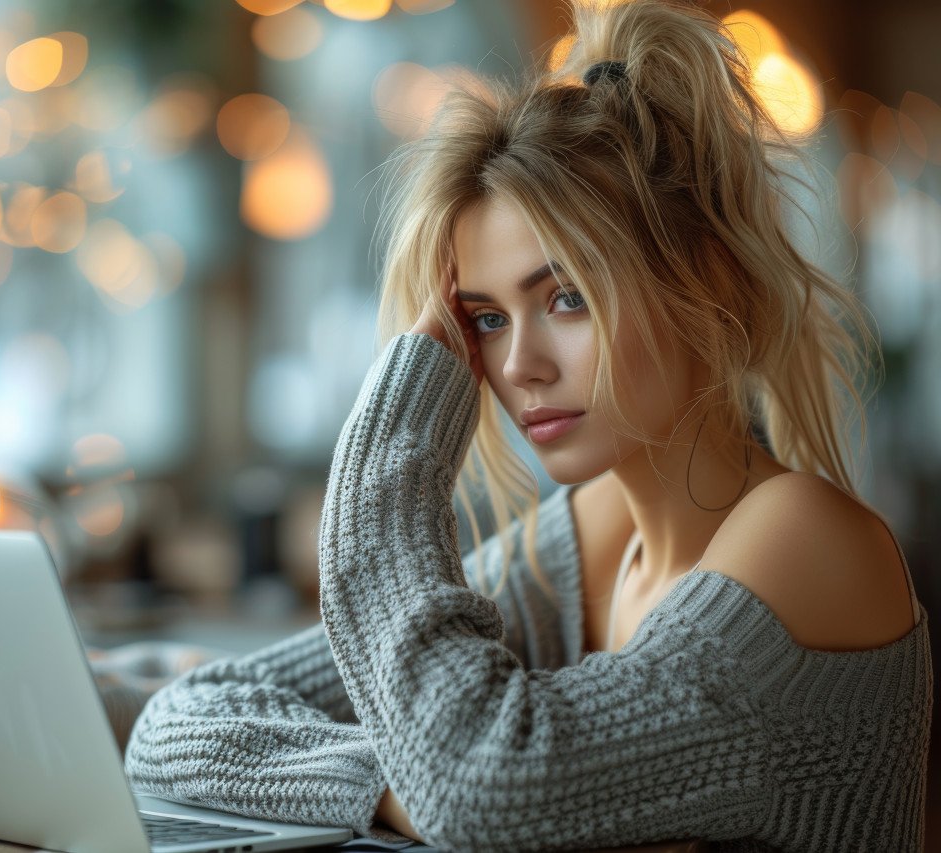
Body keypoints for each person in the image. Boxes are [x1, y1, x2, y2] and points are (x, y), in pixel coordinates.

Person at [123, 0, 933, 849]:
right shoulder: (591, 539)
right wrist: (407, 782)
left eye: (567, 298)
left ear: (711, 284)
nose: (517, 368)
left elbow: (481, 782)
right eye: (485, 319)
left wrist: (386, 466)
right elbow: (178, 725)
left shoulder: (807, 539)